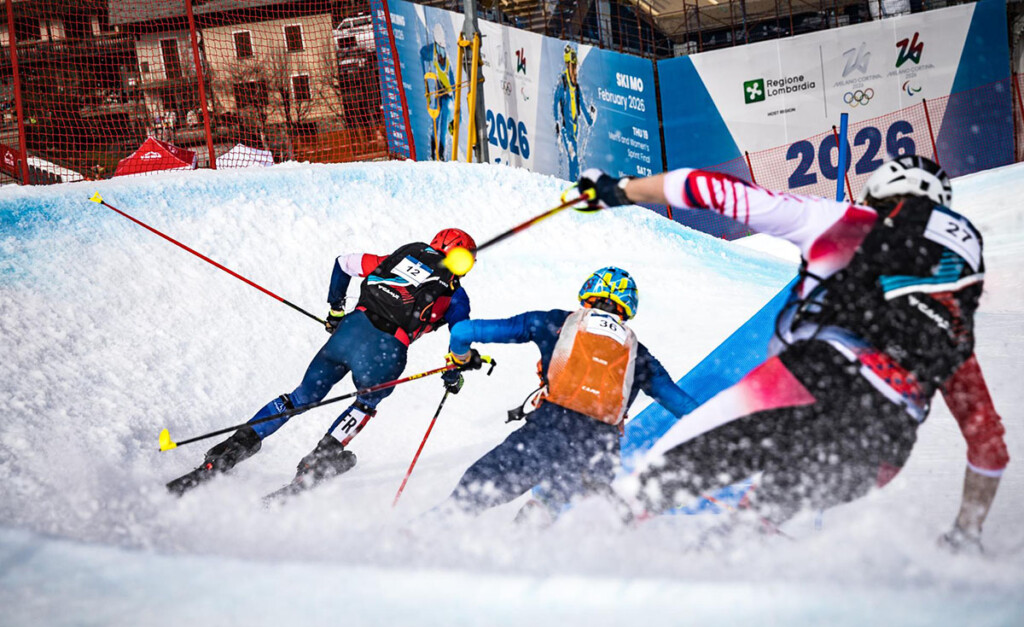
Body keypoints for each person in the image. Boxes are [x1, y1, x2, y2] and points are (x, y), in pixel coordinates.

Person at [574, 156, 1009, 552]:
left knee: (648, 487)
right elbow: (988, 445)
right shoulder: (950, 328)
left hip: (810, 381)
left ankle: (571, 558)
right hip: (883, 446)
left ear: (880, 196)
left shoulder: (848, 221)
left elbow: (711, 188)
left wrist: (619, 190)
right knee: (750, 527)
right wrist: (966, 533)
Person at [167, 228, 477, 496]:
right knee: (365, 404)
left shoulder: (393, 259)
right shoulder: (455, 295)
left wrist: (335, 311)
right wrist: (454, 371)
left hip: (347, 334)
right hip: (386, 352)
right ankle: (317, 462)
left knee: (300, 397)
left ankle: (230, 450)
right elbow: (461, 335)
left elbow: (343, 263)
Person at [441, 266, 699, 520]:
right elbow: (688, 410)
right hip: (599, 454)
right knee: (549, 511)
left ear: (588, 293)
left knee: (468, 498)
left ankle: (432, 531)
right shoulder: (641, 356)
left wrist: (462, 358)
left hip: (547, 432)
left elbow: (462, 331)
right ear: (628, 308)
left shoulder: (552, 322)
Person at [553, 44, 595, 181]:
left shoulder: (576, 86)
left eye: (575, 66)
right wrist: (557, 123)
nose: (575, 69)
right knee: (573, 158)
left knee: (576, 163)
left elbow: (582, 104)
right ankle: (572, 186)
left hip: (575, 131)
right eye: (572, 66)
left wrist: (590, 119)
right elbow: (555, 102)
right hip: (566, 129)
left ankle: (575, 184)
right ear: (568, 65)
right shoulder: (562, 83)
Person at [420, 23, 455, 161]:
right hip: (438, 92)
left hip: (447, 96)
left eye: (442, 54)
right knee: (435, 121)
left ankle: (441, 153)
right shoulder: (433, 51)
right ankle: (433, 153)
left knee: (443, 124)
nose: (440, 57)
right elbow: (422, 53)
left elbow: (454, 87)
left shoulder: (448, 65)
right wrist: (427, 85)